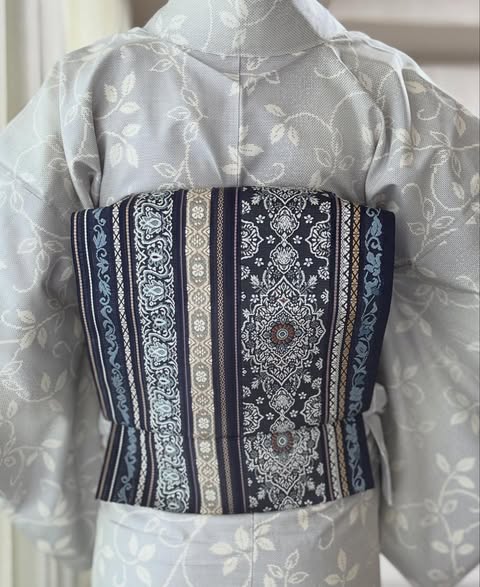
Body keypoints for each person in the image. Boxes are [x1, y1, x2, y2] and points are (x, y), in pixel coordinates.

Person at [0, 1, 478, 585]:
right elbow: (463, 288)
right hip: (327, 534)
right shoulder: (387, 93)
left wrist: (73, 493)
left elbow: (16, 314)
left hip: (146, 533)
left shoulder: (89, 89)